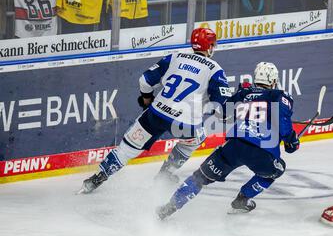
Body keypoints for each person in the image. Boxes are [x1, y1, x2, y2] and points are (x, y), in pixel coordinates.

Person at [78, 27, 232, 194]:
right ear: (209, 46)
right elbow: (221, 107)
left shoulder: (175, 57)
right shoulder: (215, 69)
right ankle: (165, 174)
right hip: (185, 124)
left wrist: (147, 99)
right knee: (196, 139)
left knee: (128, 148)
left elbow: (144, 80)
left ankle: (96, 179)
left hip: (156, 113)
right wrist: (223, 115)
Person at [156, 62, 300, 219]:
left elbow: (223, 114)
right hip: (262, 151)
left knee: (200, 177)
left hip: (233, 146)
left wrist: (240, 96)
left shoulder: (244, 93)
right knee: (276, 170)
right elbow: (282, 118)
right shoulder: (280, 95)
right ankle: (242, 199)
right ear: (273, 81)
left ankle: (169, 208)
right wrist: (291, 140)